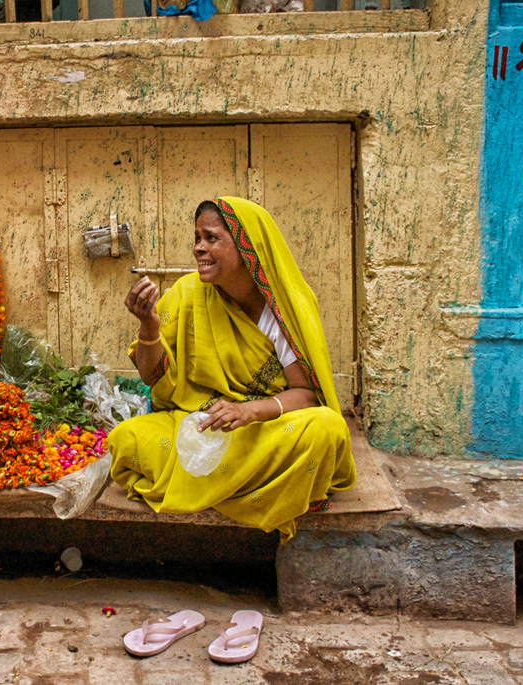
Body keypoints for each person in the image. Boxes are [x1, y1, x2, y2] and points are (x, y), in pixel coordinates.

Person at [110, 197, 356, 542]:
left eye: (212, 238)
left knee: (327, 429)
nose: (199, 248)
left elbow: (306, 394)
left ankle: (211, 485)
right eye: (197, 238)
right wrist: (148, 327)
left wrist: (248, 411)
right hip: (201, 422)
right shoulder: (185, 294)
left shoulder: (286, 306)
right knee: (126, 438)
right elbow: (152, 379)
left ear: (247, 247)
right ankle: (260, 487)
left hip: (261, 428)